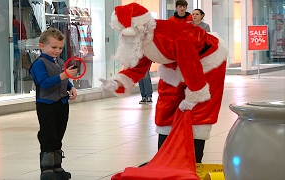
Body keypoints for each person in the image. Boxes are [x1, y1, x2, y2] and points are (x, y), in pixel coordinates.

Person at [99, 3, 228, 180]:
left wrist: (194, 95)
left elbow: (190, 62)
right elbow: (138, 66)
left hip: (207, 59)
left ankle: (192, 162)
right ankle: (165, 159)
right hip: (174, 63)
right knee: (166, 106)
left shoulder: (172, 34)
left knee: (199, 114)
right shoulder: (141, 38)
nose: (121, 35)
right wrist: (117, 83)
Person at [29, 28, 78, 180]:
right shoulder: (39, 64)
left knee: (58, 134)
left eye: (60, 48)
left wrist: (71, 87)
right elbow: (44, 83)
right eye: (54, 47)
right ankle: (46, 169)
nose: (57, 51)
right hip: (46, 104)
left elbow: (64, 79)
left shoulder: (61, 62)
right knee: (48, 134)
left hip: (62, 103)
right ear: (42, 46)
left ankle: (57, 166)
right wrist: (64, 75)